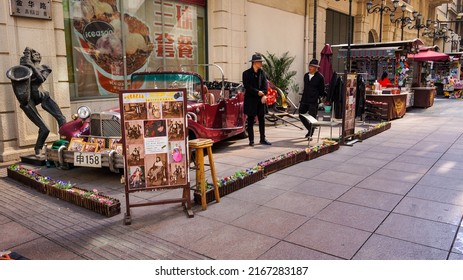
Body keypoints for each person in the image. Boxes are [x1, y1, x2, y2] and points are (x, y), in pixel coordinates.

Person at [7, 47, 67, 157]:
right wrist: (25, 65)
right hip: (28, 101)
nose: (34, 54)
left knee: (62, 119)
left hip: (43, 96)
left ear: (39, 57)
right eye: (32, 53)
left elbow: (41, 79)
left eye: (36, 53)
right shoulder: (26, 67)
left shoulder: (45, 68)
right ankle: (38, 148)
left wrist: (30, 65)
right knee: (45, 129)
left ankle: (66, 144)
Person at [242, 53, 271, 146]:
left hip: (260, 100)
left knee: (262, 119)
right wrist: (257, 92)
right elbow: (247, 86)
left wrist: (264, 94)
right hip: (251, 100)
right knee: (250, 120)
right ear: (254, 62)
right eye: (260, 62)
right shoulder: (246, 73)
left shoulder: (262, 73)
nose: (261, 63)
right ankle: (251, 140)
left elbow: (265, 86)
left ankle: (263, 139)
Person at [299, 59, 325, 140]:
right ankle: (309, 129)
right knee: (301, 114)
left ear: (316, 68)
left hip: (313, 101)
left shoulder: (320, 77)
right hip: (305, 99)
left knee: (312, 118)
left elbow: (321, 91)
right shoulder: (306, 76)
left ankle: (310, 134)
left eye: (312, 66)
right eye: (309, 66)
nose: (310, 67)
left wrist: (318, 97)